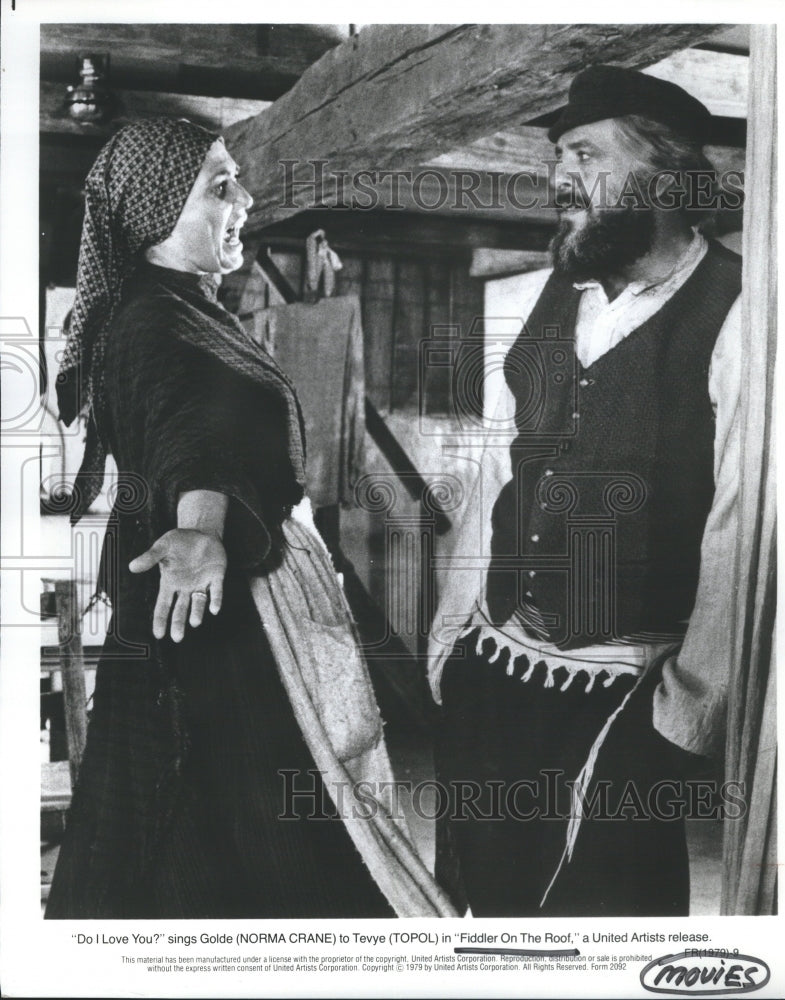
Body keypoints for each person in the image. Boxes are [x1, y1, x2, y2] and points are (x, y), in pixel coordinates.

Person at [46, 118, 454, 919]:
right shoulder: (150, 322)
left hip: (227, 600)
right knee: (256, 826)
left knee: (212, 824)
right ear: (155, 209)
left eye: (238, 181)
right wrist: (201, 529)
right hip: (211, 611)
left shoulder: (188, 308)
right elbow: (190, 429)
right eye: (219, 185)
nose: (246, 200)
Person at [429, 65, 743, 917]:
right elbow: (499, 469)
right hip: (493, 668)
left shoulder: (740, 309)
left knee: (606, 917)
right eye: (556, 155)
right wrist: (453, 632)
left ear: (667, 178)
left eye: (584, 153)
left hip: (625, 691)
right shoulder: (552, 297)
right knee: (486, 906)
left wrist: (692, 708)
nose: (559, 177)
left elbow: (744, 523)